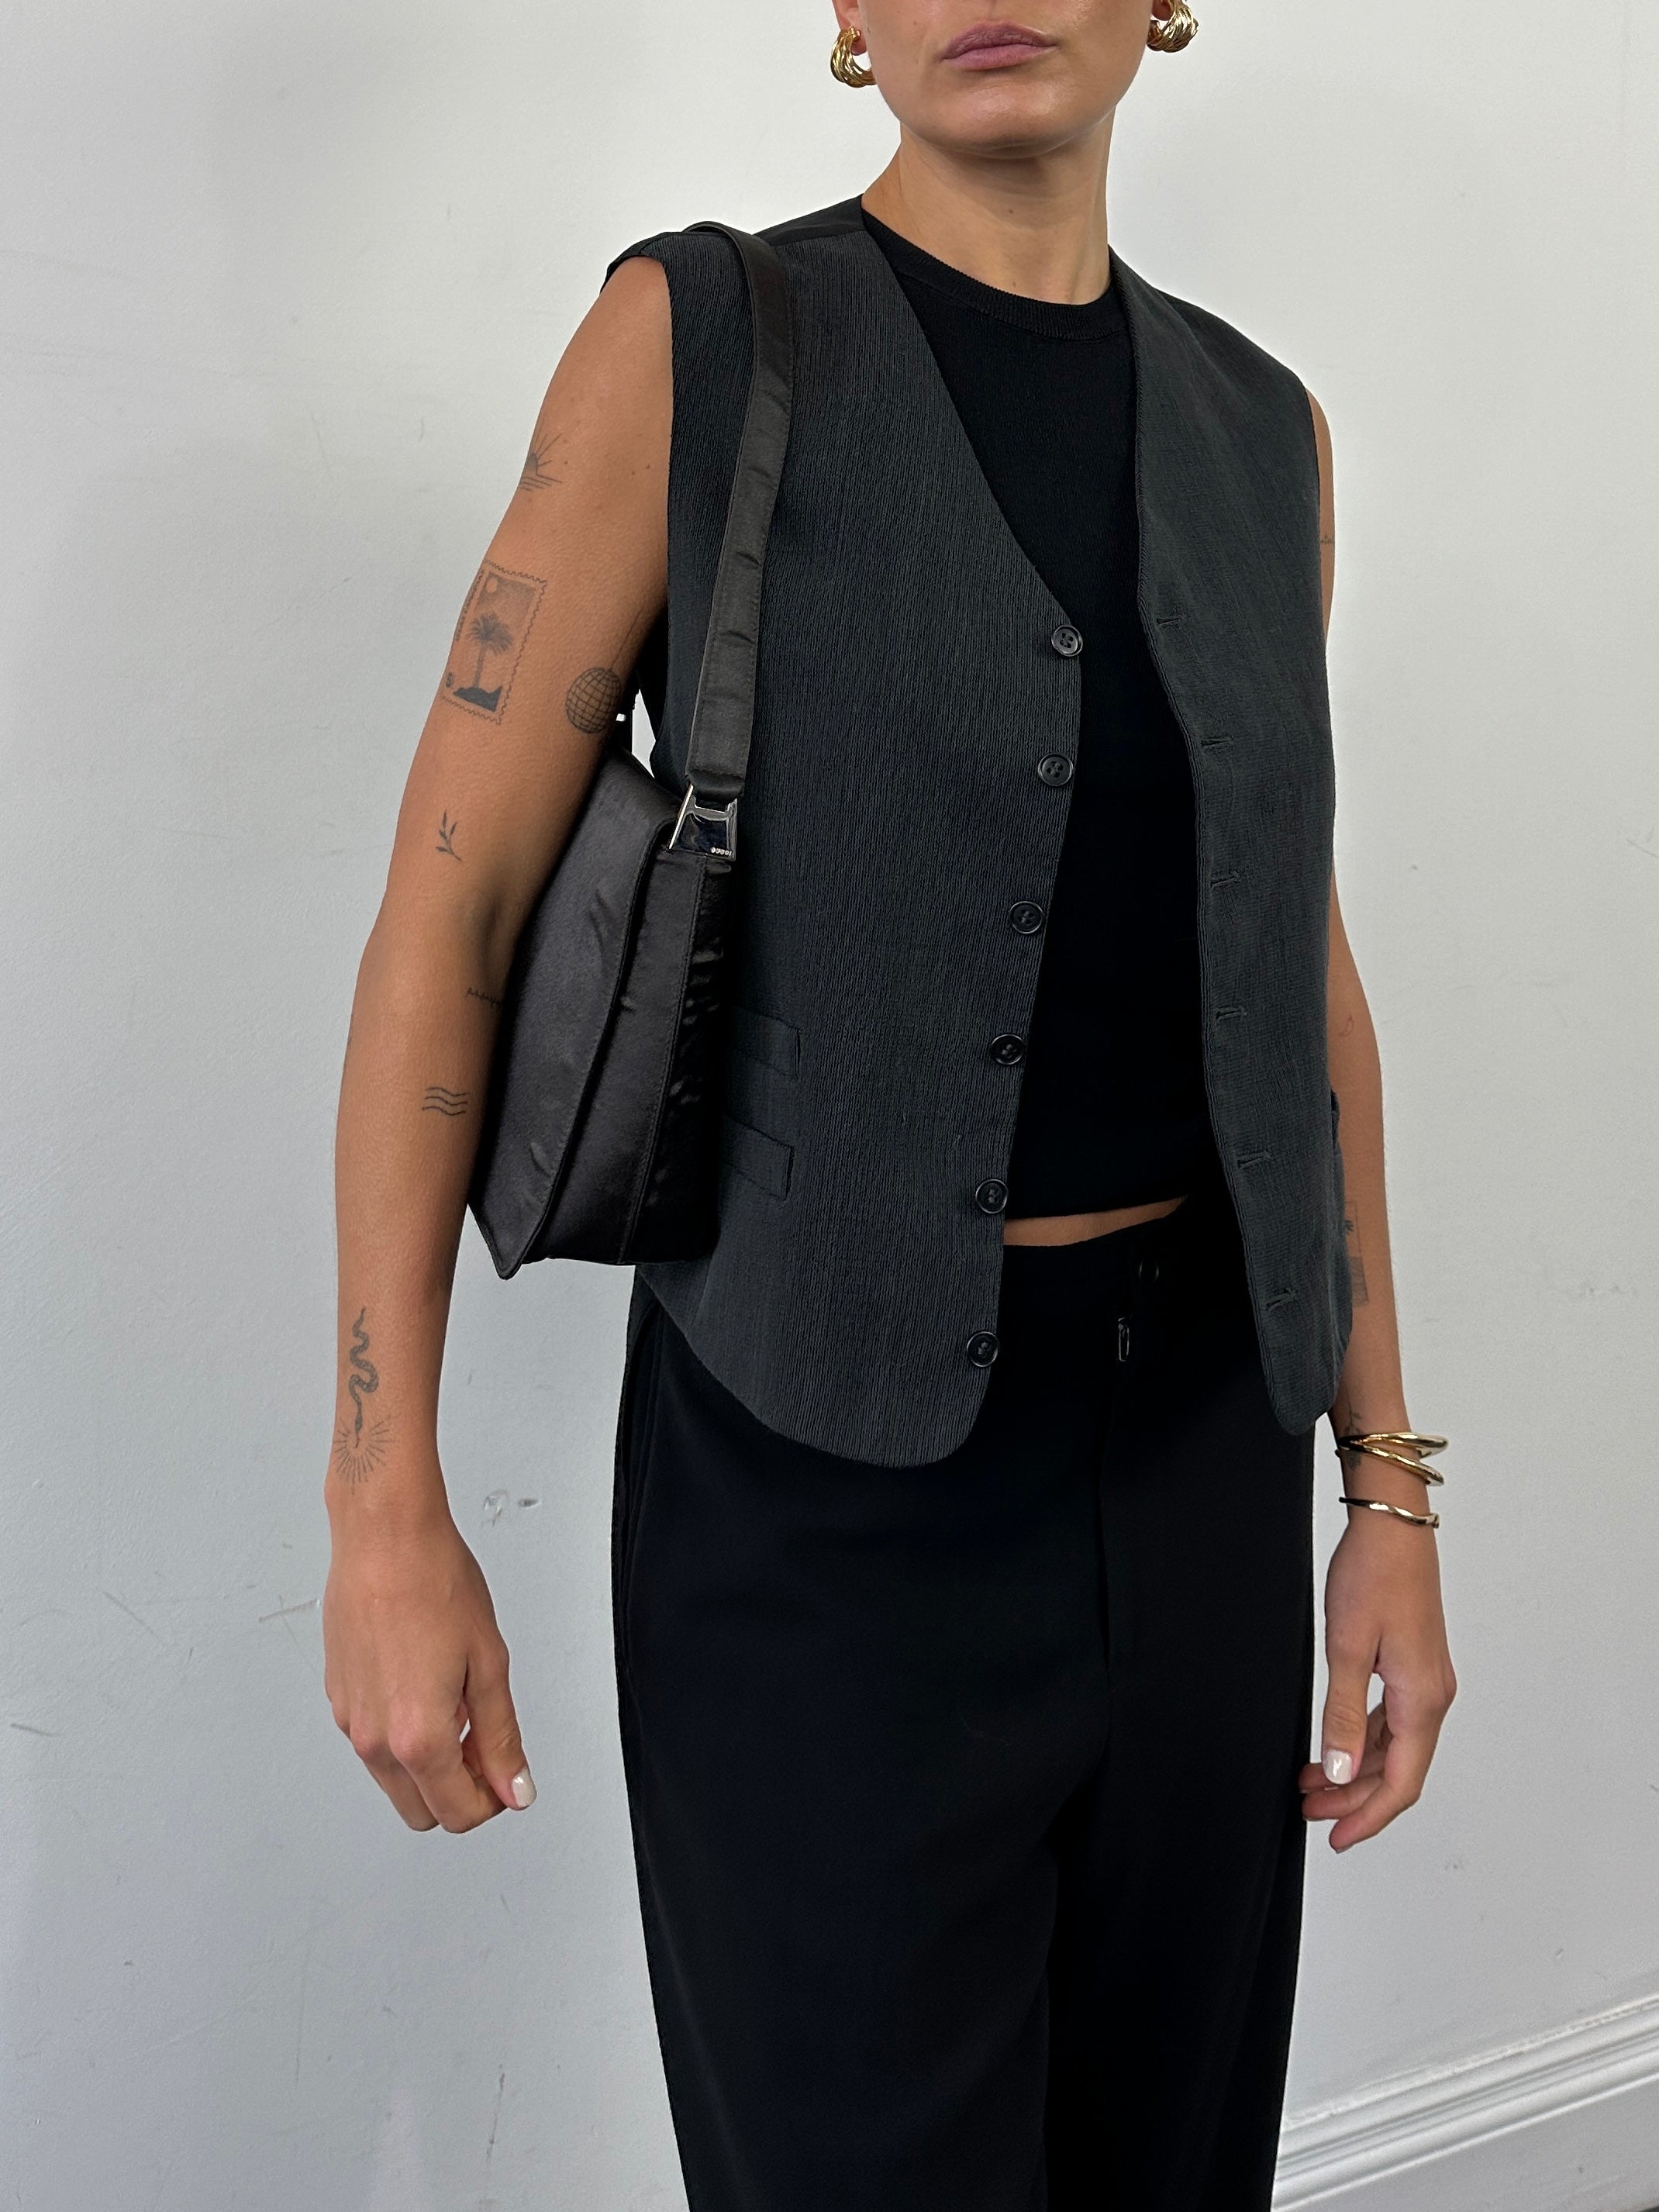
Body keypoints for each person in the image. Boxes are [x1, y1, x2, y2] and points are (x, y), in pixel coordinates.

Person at [321, 5, 1458, 2206]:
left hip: (1202, 1471)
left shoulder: (1266, 433)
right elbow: (446, 920)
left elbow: (1295, 970)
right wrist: (387, 1506)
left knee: (1173, 2163)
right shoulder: (700, 343)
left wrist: (1384, 1487)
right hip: (816, 1499)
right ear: (846, 17)